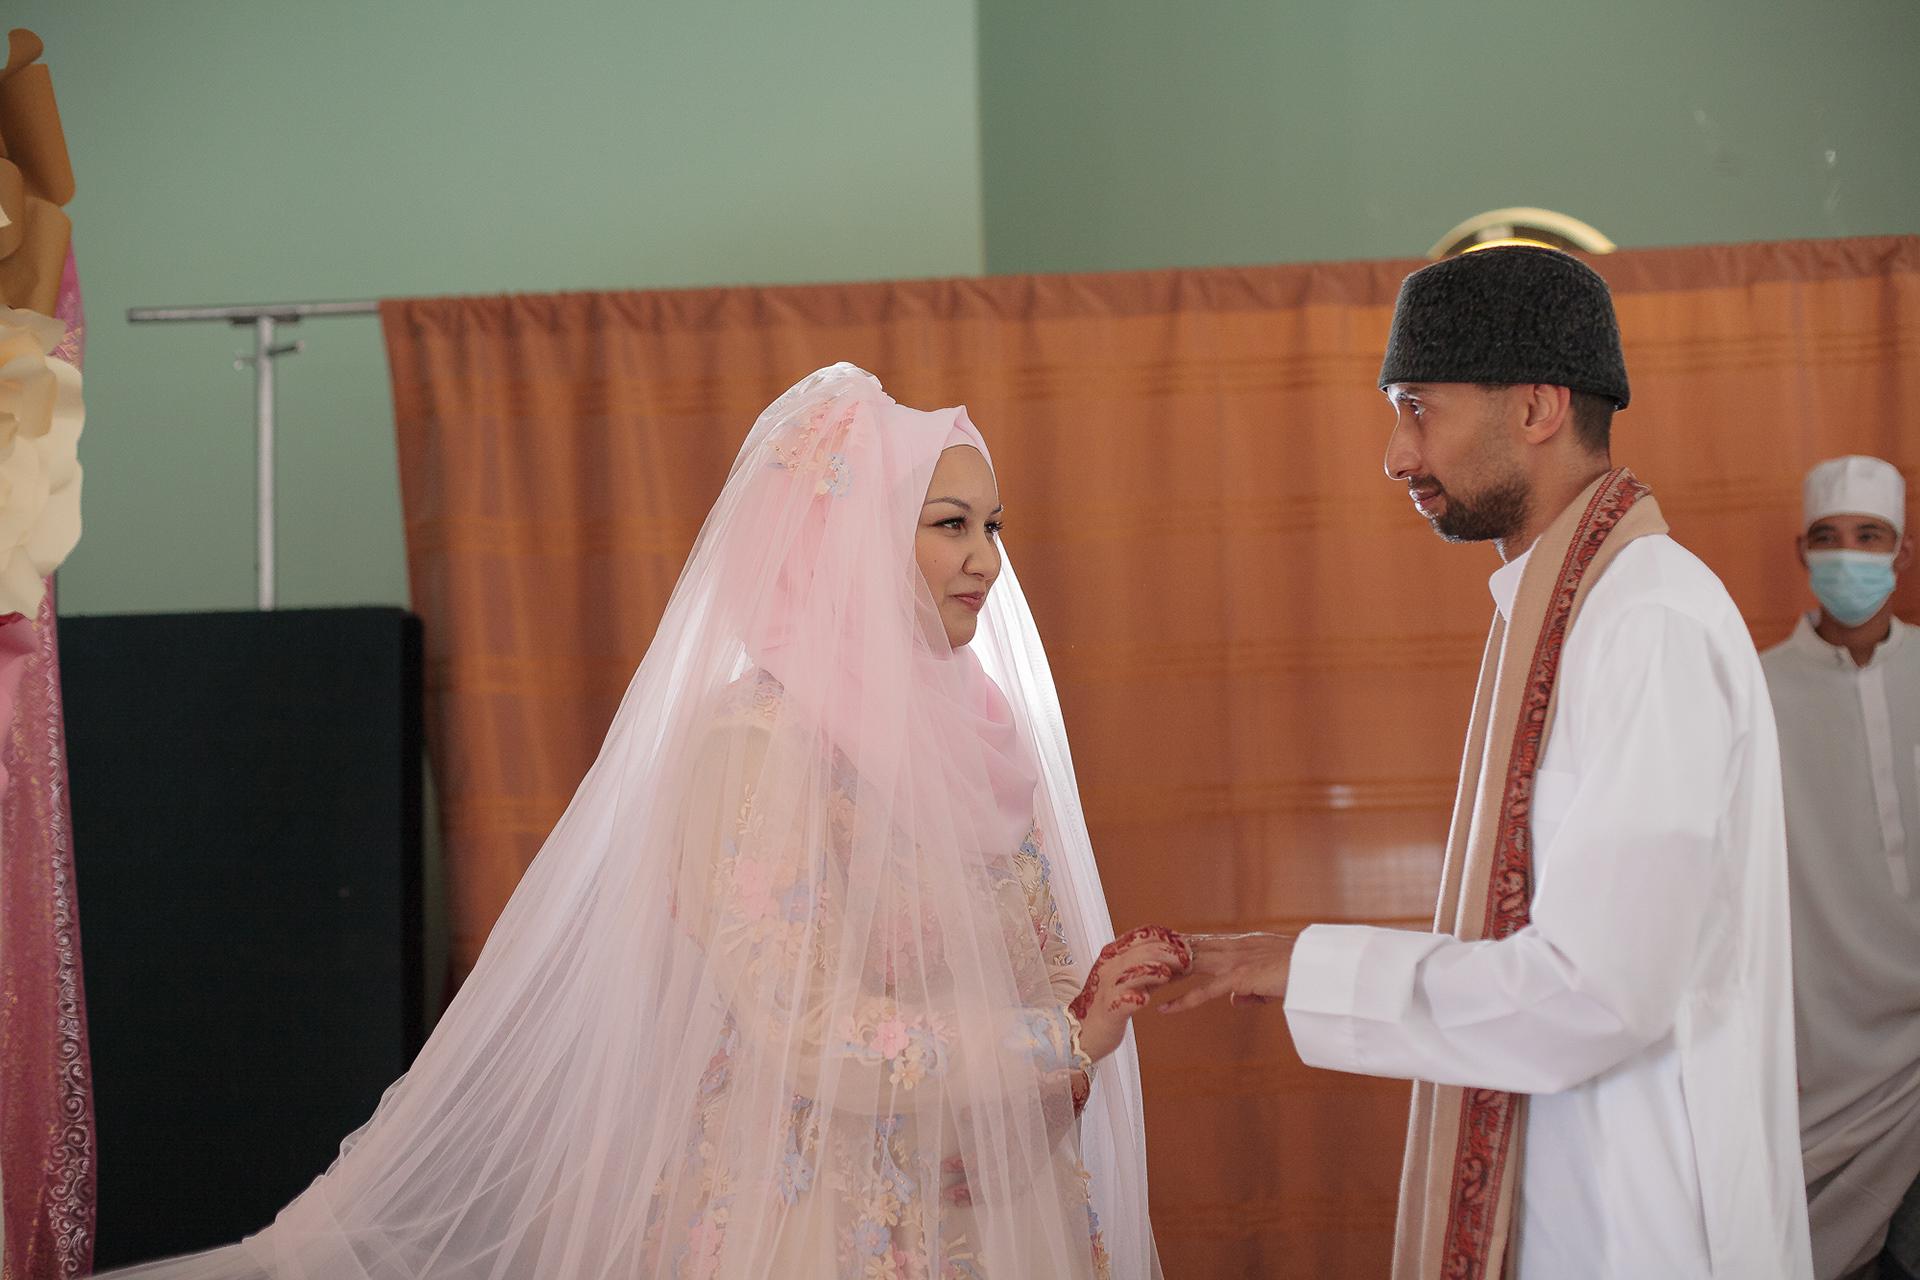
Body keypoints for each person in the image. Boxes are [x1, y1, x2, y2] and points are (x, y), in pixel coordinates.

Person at [104, 364, 1186, 1280]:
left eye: (991, 526)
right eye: (949, 524)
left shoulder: (981, 738)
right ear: (849, 541)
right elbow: (805, 1025)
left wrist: (1081, 1028)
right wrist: (1055, 1038)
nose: (986, 559)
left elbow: (1042, 970)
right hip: (820, 1228)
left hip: (999, 1217)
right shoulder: (760, 743)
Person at [1161, 245, 1813, 1279]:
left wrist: (1300, 963)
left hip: (1647, 1231)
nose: (1396, 454)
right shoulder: (1562, 612)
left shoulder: (1646, 624)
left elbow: (1599, 993)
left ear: (1538, 408)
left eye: (1419, 408)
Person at [1760, 455, 1920, 1280]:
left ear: (1903, 551)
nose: (1849, 555)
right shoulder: (1754, 691)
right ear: (1802, 551)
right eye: (1828, 537)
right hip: (1818, 1052)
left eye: (1870, 536)